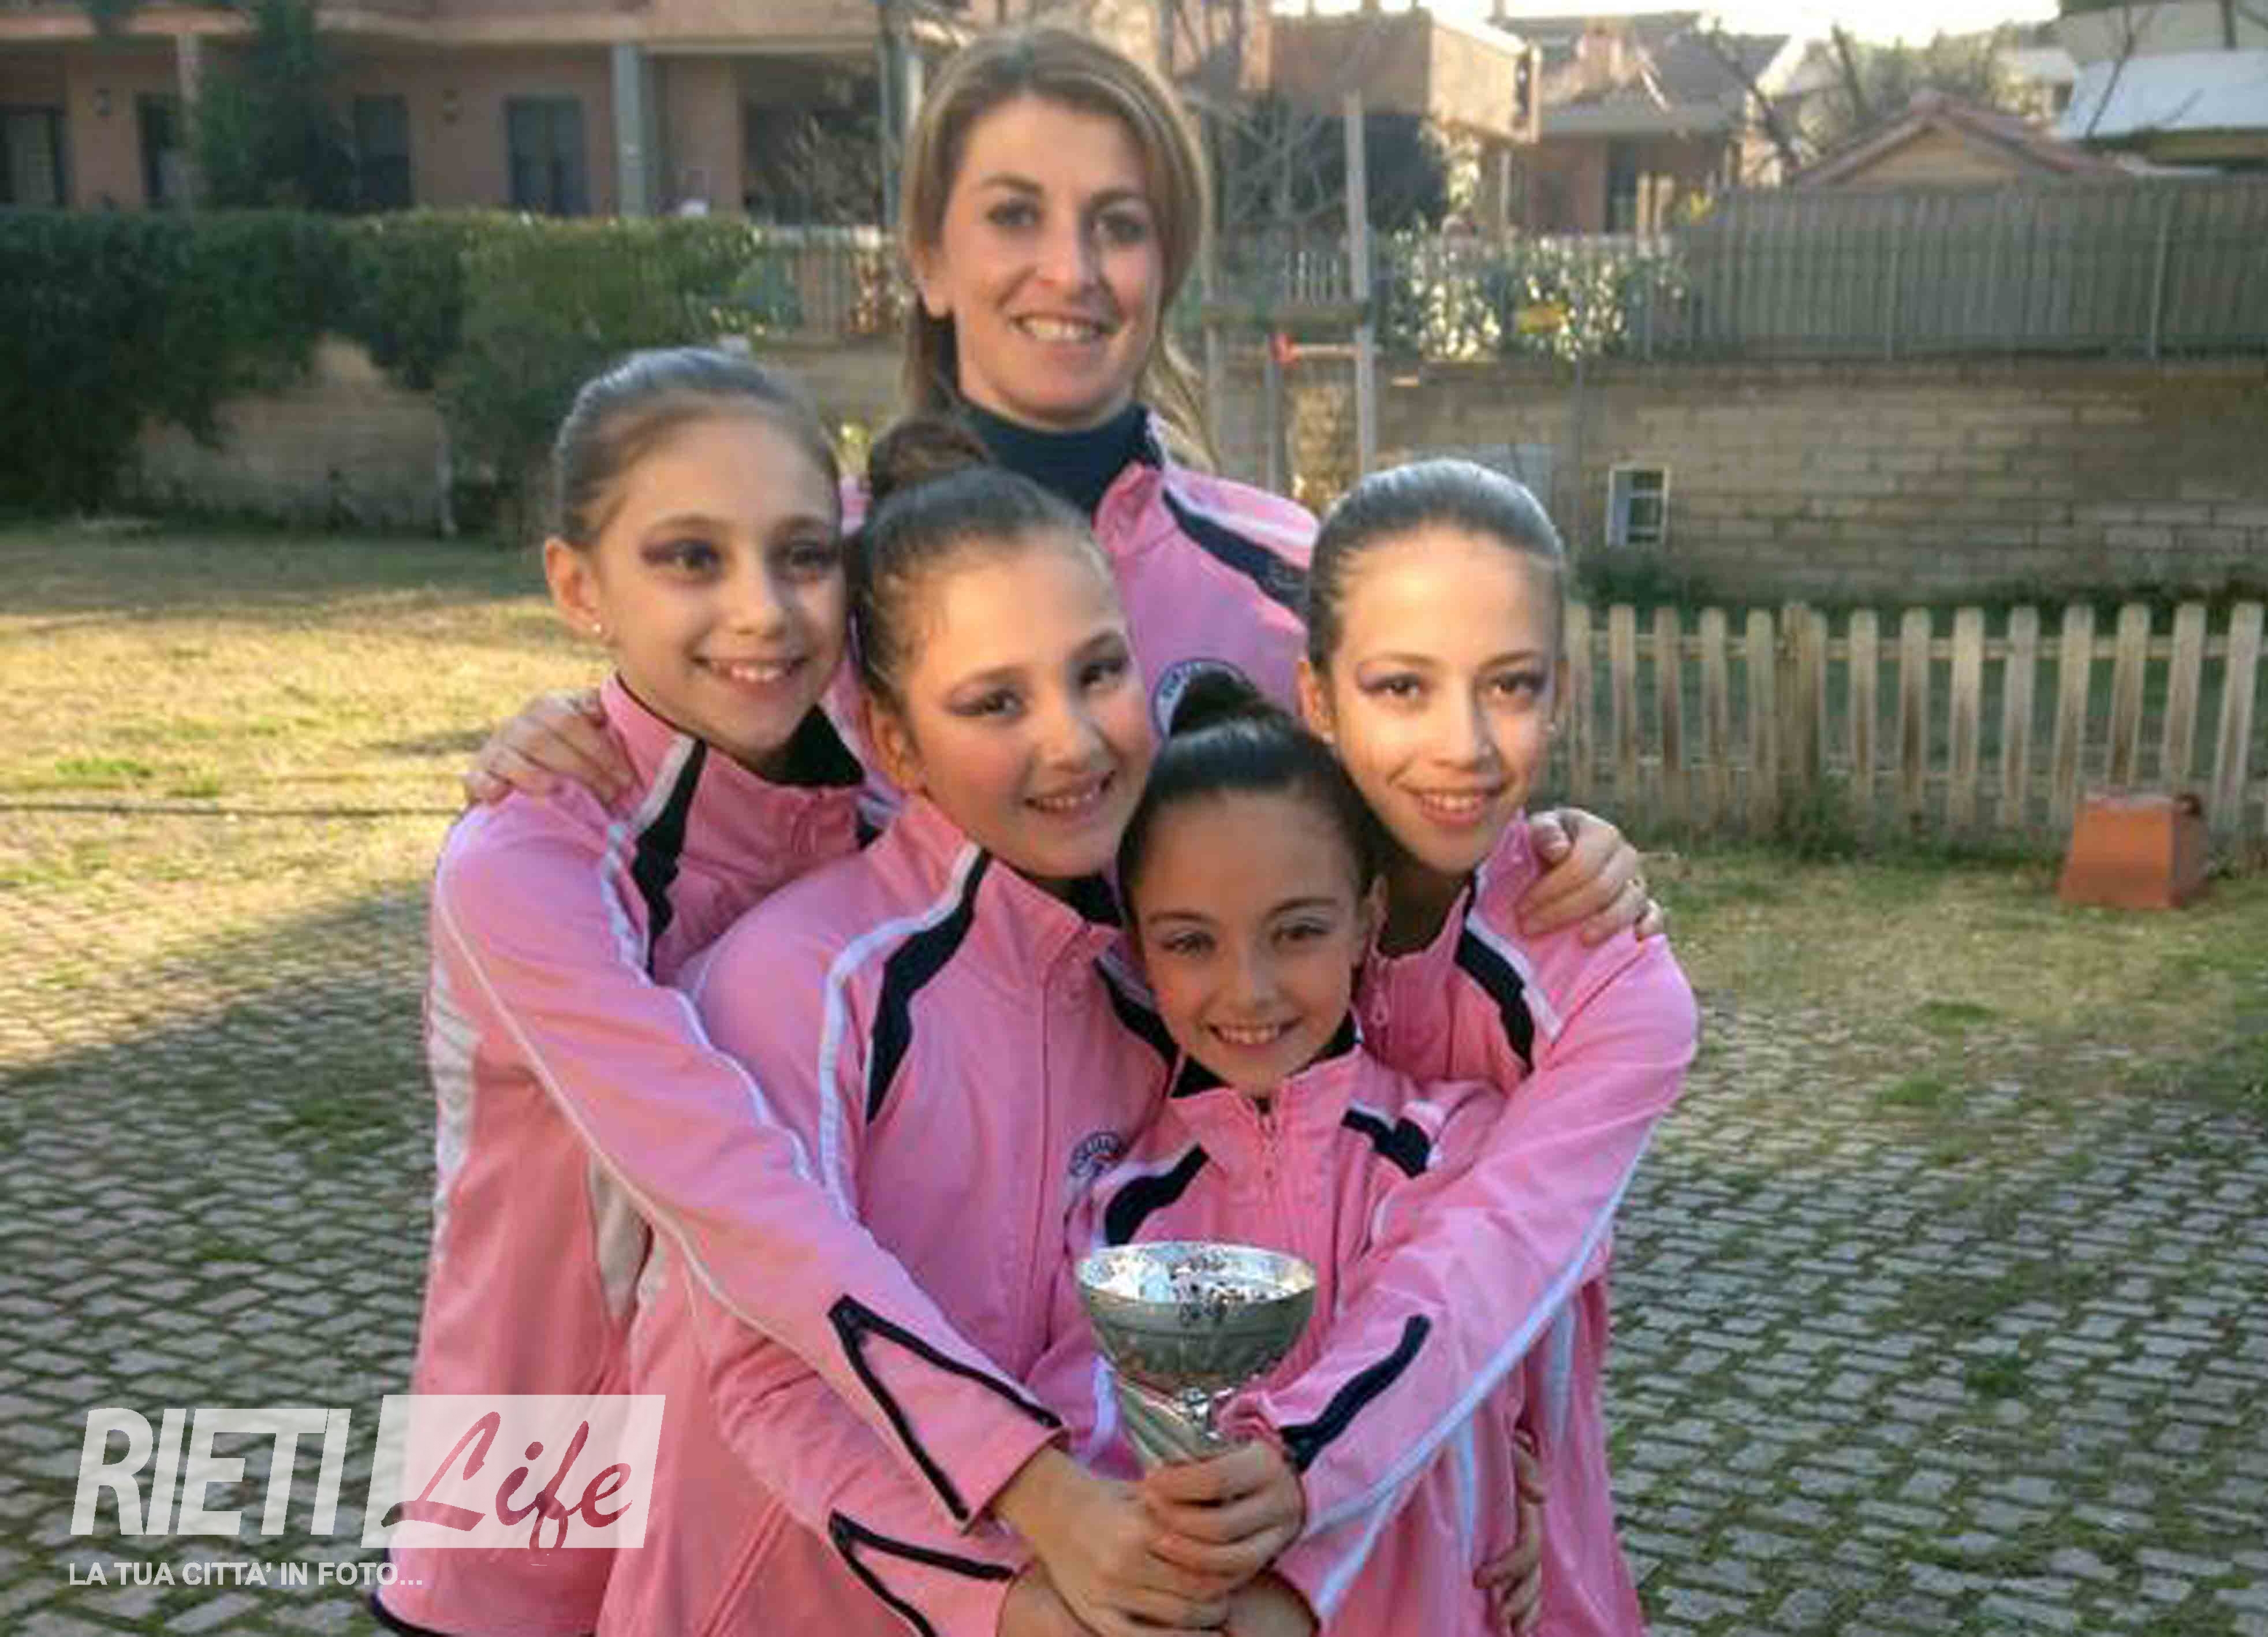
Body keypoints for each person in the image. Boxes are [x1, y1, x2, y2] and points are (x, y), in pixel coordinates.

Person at [462, 22, 1654, 951]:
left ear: (1164, 268)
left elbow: (1409, 876)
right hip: (862, 1187)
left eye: (1118, 226)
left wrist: (1549, 859)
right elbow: (676, 845)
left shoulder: (1290, 576)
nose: (1070, 270)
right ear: (928, 259)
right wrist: (570, 747)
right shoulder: (805, 581)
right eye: (1015, 216)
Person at [598, 448, 1316, 1637]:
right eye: (996, 703)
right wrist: (1006, 1590)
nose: (1073, 741)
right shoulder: (800, 984)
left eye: (1098, 671)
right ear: (896, 741)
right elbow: (769, 1374)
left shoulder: (1150, 987)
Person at [376, 348, 876, 1637]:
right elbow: (724, 1180)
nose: (763, 609)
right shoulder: (530, 858)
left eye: (803, 554)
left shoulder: (874, 819)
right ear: (577, 586)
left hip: (757, 1517)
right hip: (525, 1519)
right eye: (690, 557)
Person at [1225, 460, 1700, 1634]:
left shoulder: (1613, 985)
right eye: (1402, 686)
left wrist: (1343, 1473)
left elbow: (1492, 1257)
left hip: (1490, 1536)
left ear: (1561, 691)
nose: (1465, 745)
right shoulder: (1225, 912)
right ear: (1317, 696)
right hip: (1227, 1505)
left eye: (1511, 685)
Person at [1028, 670, 1549, 1635]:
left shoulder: (1452, 1142)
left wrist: (1512, 1463)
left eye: (1298, 931)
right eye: (1191, 943)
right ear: (1138, 948)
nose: (1250, 990)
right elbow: (1094, 1449)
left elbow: (1443, 1364)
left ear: (1367, 920)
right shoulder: (1120, 1210)